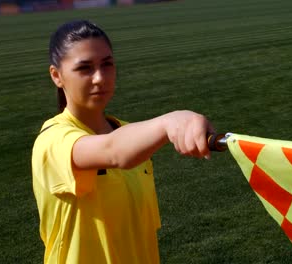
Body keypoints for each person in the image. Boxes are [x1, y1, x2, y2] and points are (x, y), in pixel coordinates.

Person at [31, 20, 214, 264]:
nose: (100, 78)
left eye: (107, 65)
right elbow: (114, 151)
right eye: (85, 68)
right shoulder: (53, 140)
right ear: (57, 76)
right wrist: (169, 122)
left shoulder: (129, 134)